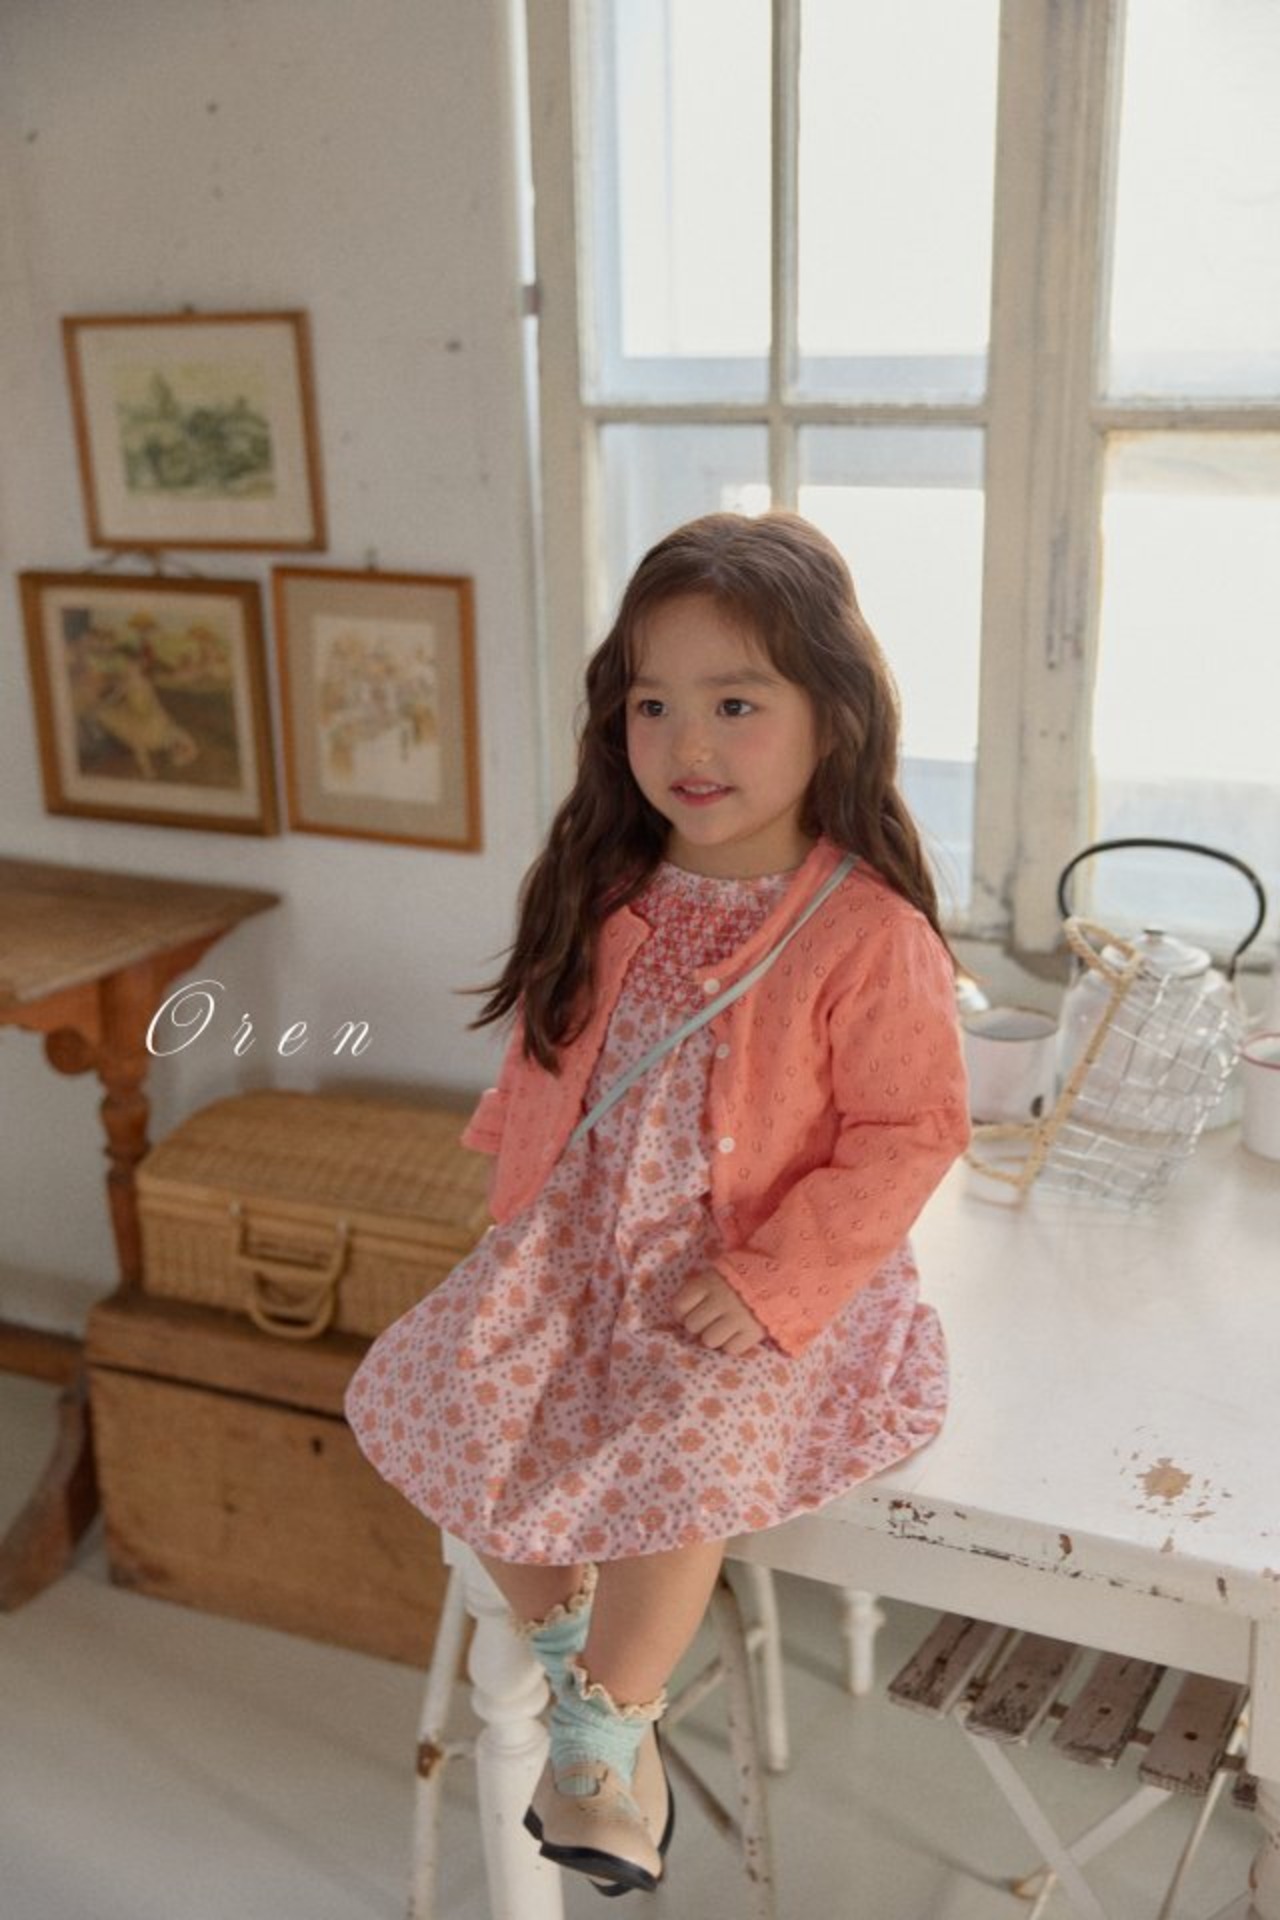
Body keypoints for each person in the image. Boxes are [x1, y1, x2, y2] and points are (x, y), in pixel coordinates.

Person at [345, 510, 970, 1896]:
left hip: (743, 1274)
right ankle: (590, 1674)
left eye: (736, 703)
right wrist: (517, 1216)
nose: (690, 742)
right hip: (580, 1249)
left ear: (835, 716)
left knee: (691, 1433)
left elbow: (911, 1134)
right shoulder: (608, 886)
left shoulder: (867, 934)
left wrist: (772, 1281)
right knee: (446, 1383)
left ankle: (595, 1742)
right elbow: (546, 1063)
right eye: (652, 704)